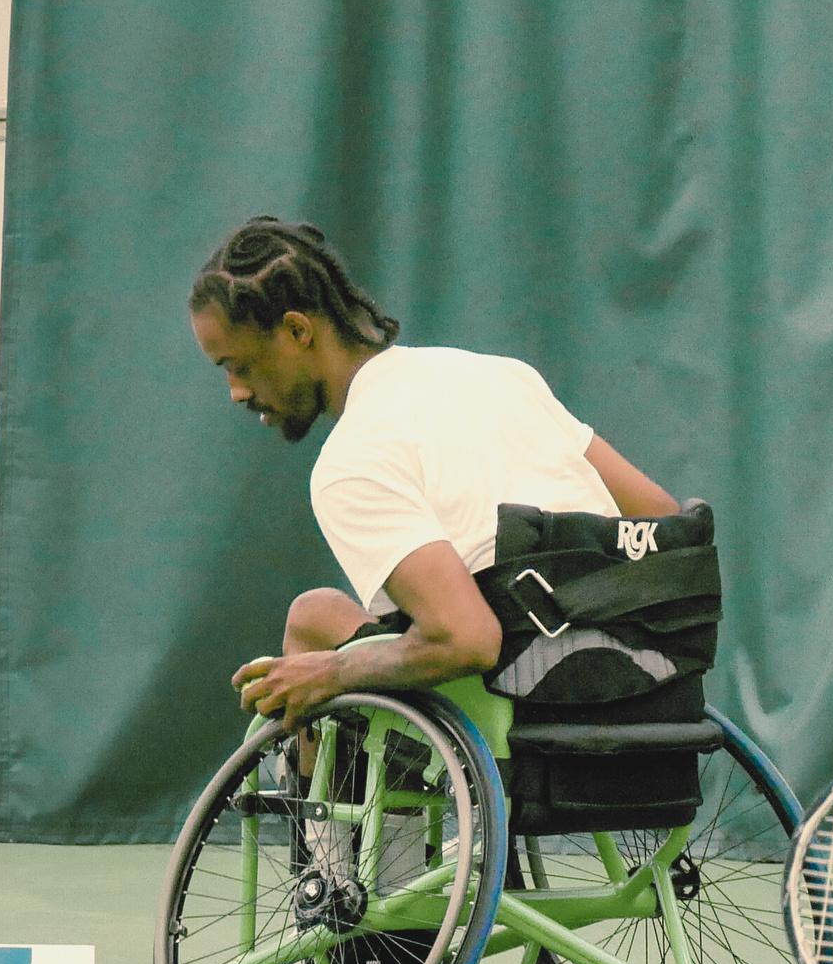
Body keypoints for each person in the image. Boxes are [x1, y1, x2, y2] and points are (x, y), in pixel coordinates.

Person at [186, 217, 682, 719]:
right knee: (325, 617)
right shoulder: (502, 377)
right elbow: (663, 518)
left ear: (297, 330)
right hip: (640, 697)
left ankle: (318, 774)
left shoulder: (349, 463)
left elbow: (467, 639)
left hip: (521, 718)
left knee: (312, 623)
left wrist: (330, 672)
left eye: (239, 366)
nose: (236, 392)